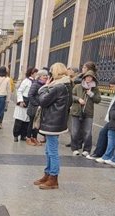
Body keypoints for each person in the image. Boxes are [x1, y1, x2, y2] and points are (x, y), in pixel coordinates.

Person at [33, 62, 72, 190]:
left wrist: (45, 86)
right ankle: (48, 174)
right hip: (55, 121)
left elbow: (43, 101)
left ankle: (53, 178)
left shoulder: (58, 87)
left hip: (53, 122)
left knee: (52, 151)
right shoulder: (66, 85)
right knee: (49, 150)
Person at [86, 76, 115, 160]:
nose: (111, 88)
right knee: (105, 134)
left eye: (113, 86)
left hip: (114, 118)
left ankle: (100, 154)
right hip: (111, 117)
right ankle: (101, 153)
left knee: (104, 133)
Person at [69, 70, 101, 156]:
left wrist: (91, 94)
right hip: (76, 112)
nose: (88, 78)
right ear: (84, 78)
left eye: (90, 77)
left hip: (88, 113)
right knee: (75, 131)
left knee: (88, 132)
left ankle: (87, 149)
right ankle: (74, 148)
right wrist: (78, 99)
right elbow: (71, 96)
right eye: (87, 77)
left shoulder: (95, 89)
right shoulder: (77, 86)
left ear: (93, 79)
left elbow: (98, 100)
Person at [13, 67, 36, 142]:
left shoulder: (35, 82)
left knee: (27, 121)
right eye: (35, 73)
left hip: (30, 103)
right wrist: (20, 101)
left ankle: (23, 135)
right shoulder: (26, 81)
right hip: (23, 102)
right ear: (31, 73)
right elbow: (19, 91)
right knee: (19, 120)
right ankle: (16, 135)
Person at [26, 69, 48, 146]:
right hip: (33, 108)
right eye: (44, 75)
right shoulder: (35, 84)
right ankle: (28, 138)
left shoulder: (45, 85)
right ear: (39, 76)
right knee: (31, 124)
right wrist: (36, 104)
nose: (46, 77)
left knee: (37, 125)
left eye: (46, 75)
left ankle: (34, 138)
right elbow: (30, 95)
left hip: (40, 109)